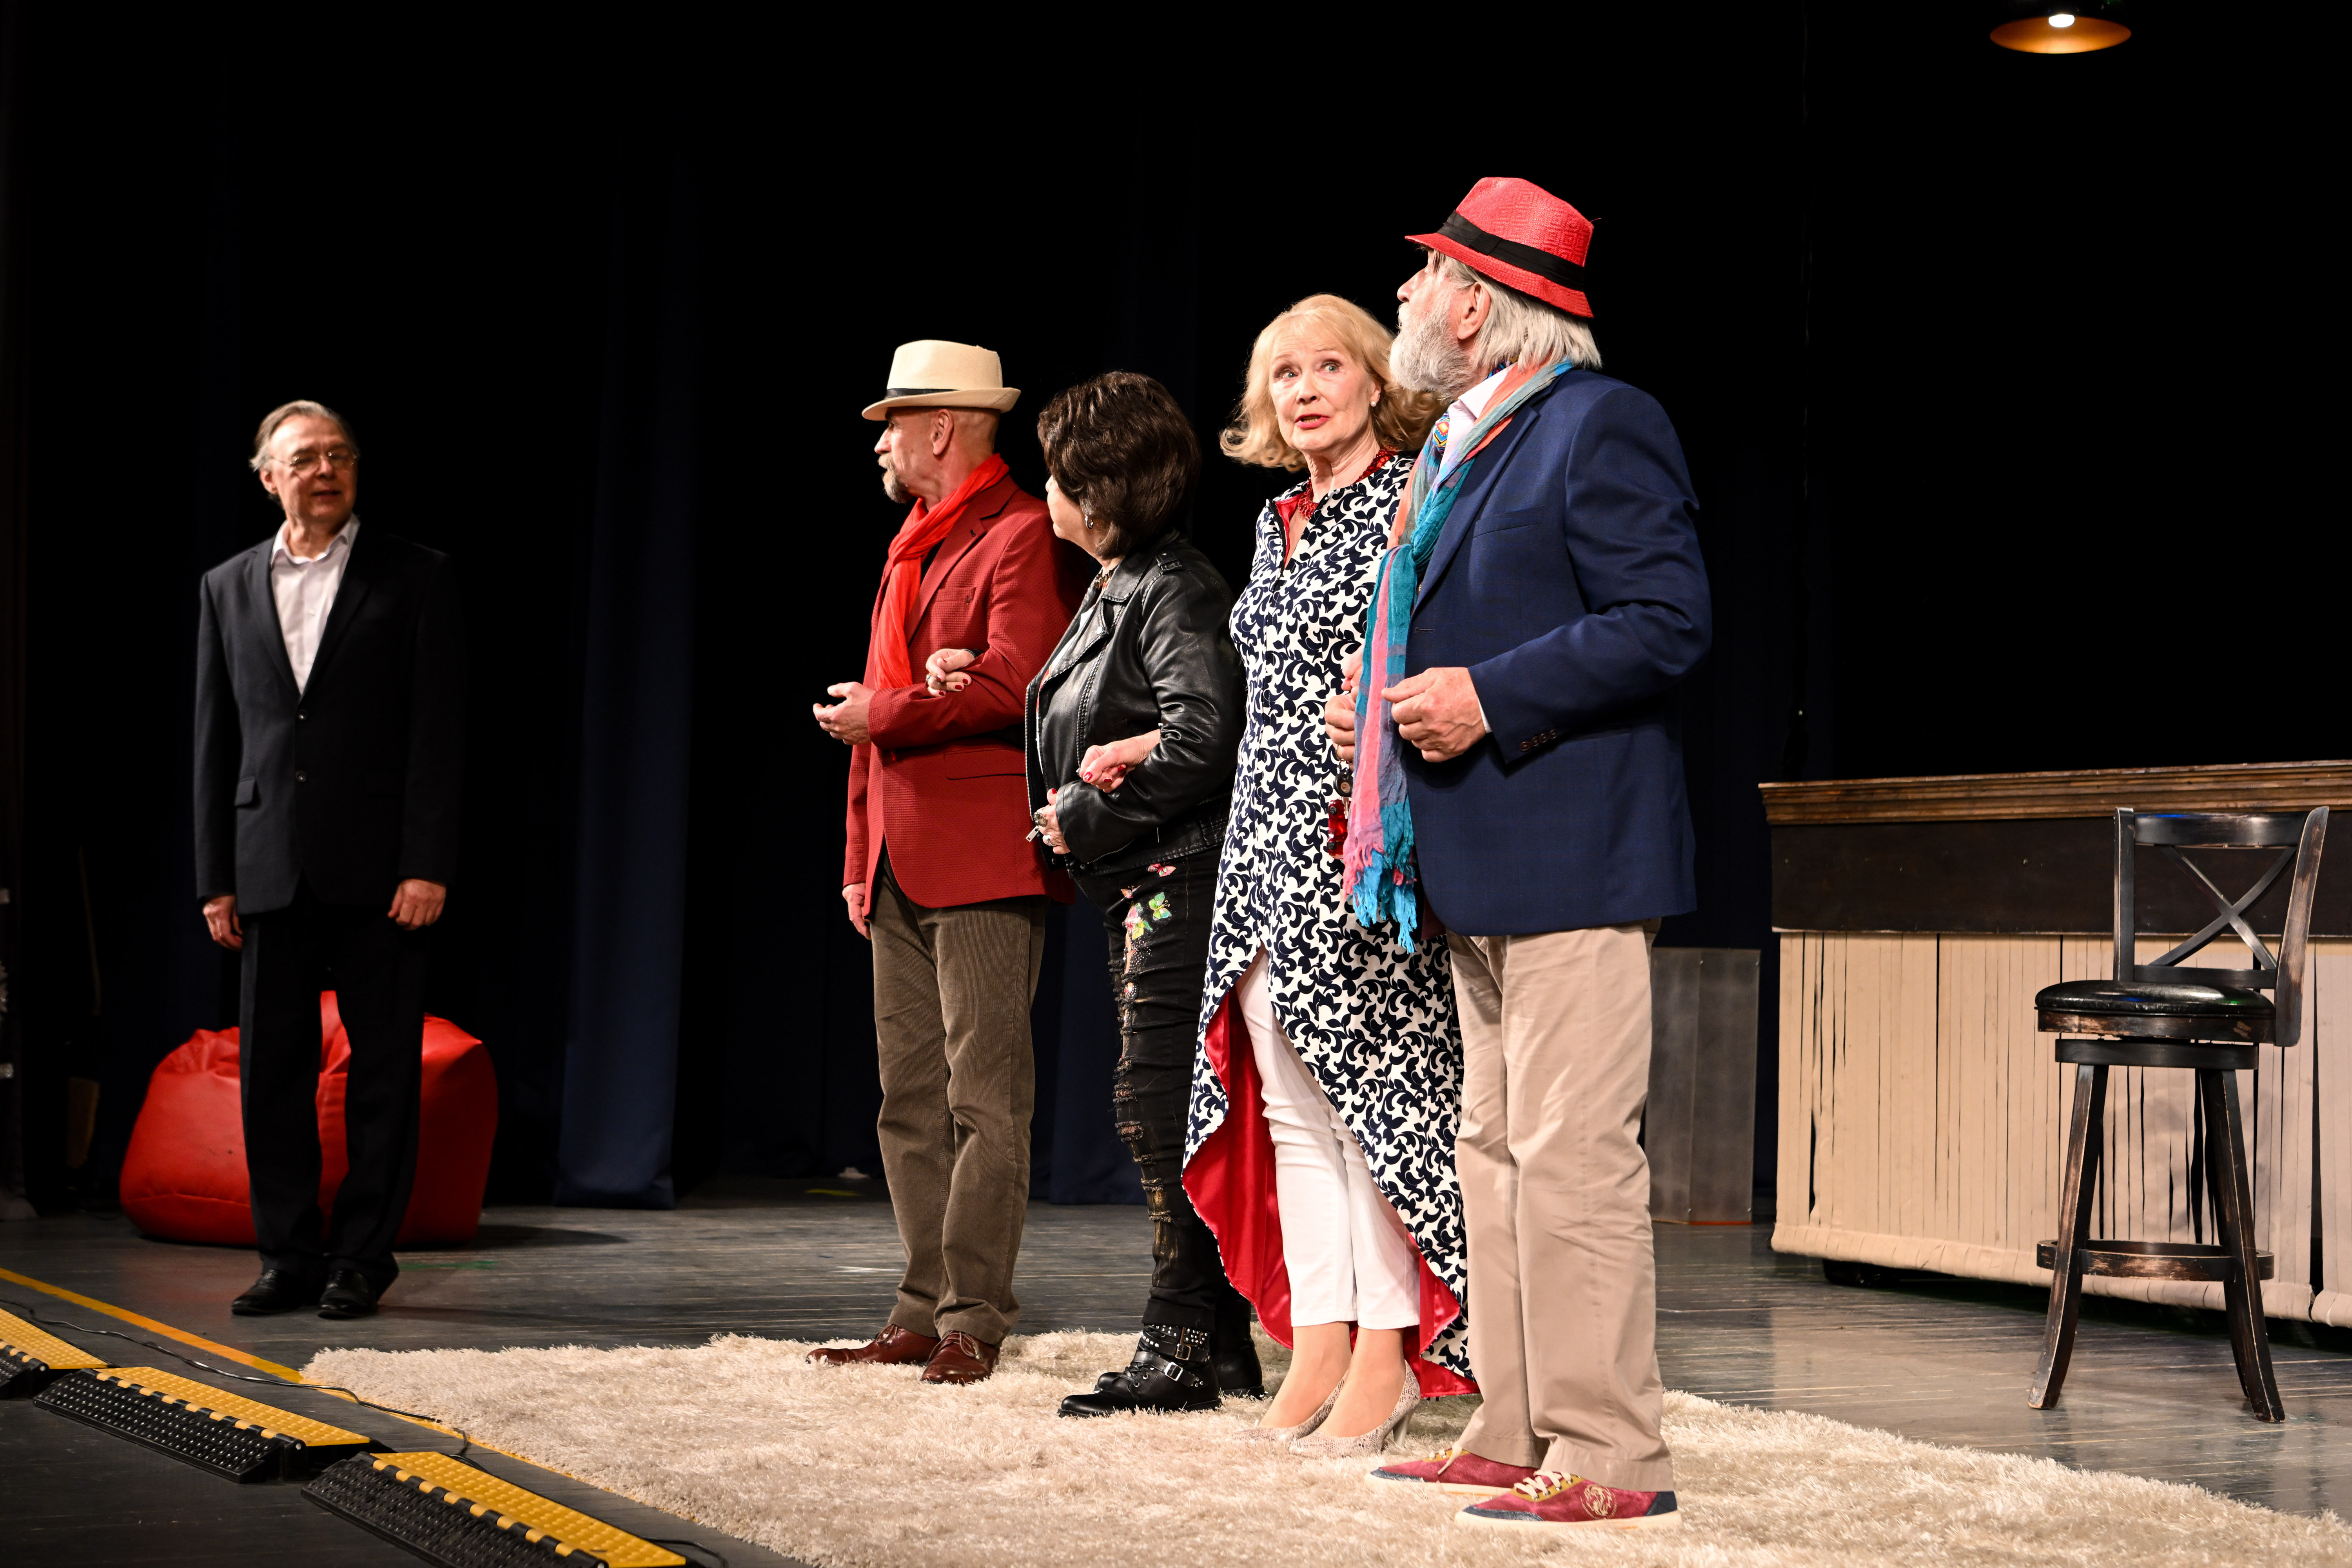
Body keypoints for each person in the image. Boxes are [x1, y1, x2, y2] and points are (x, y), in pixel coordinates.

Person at [1332, 179, 1711, 1532]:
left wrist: (1487, 695)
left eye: (1426, 275)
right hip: (1480, 852)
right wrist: (1398, 708)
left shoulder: (1599, 423)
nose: (1406, 296)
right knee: (1494, 1152)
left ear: (1477, 306)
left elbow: (1667, 618)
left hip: (1574, 850)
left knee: (1572, 1158)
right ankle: (1513, 1426)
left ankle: (1612, 1448)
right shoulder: (1464, 442)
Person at [1175, 297, 1460, 1459]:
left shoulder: (1410, 500)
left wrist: (1385, 715)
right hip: (1260, 847)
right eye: (1283, 373)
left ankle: (1388, 1350)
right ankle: (1323, 1343)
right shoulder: (1273, 520)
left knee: (1368, 1107)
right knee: (1293, 1108)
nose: (1302, 390)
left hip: (1354, 843)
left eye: (1327, 366)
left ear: (1375, 379)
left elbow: (1444, 654)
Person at [809, 341, 1088, 1387]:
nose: (881, 444)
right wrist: (858, 853)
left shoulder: (1019, 533)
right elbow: (873, 713)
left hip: (983, 856)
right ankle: (920, 1307)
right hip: (896, 857)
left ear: (941, 427)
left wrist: (895, 710)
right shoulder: (908, 544)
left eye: (893, 424)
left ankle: (975, 1313)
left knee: (985, 1098)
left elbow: (1022, 684)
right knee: (908, 1099)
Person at [979, 370, 1257, 1418]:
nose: (1047, 492)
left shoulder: (1173, 585)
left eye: (1059, 476)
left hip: (1178, 876)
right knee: (1158, 1103)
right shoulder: (1119, 582)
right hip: (1141, 879)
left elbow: (1205, 736)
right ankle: (1218, 1344)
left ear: (1098, 492)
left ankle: (1180, 1343)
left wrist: (1087, 817)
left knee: (1159, 1106)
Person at [195, 399, 465, 1321]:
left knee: (383, 1071)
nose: (326, 470)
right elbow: (215, 739)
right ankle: (287, 1256)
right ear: (268, 475)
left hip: (383, 869)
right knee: (273, 1071)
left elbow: (438, 732)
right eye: (306, 457)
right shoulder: (227, 584)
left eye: (340, 455)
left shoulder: (415, 574)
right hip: (268, 861)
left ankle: (361, 1256)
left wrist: (427, 862)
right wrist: (216, 875)